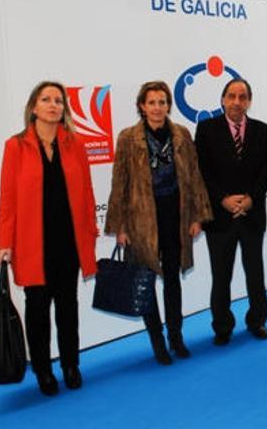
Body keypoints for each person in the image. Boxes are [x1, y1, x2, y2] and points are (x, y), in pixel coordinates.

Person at [0, 81, 98, 396]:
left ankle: (71, 365)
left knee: (68, 306)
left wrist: (90, 230)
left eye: (58, 100)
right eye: (46, 99)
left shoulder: (75, 144)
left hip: (69, 240)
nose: (54, 105)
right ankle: (42, 369)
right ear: (34, 107)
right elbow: (7, 198)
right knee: (37, 309)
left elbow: (86, 193)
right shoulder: (16, 146)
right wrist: (5, 242)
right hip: (32, 243)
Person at [105, 81, 212, 365]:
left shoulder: (182, 135)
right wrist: (121, 227)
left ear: (168, 105)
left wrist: (197, 216)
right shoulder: (128, 138)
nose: (157, 107)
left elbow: (194, 177)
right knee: (146, 280)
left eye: (162, 102)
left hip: (175, 216)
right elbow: (120, 184)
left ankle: (176, 337)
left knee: (173, 279)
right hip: (141, 218)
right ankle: (157, 341)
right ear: (142, 106)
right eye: (151, 102)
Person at [195, 78, 267, 345]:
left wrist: (251, 199)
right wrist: (223, 199)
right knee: (221, 275)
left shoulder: (263, 131)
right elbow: (203, 171)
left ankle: (258, 320)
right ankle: (222, 326)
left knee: (255, 272)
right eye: (231, 96)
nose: (237, 102)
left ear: (249, 101)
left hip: (252, 214)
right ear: (222, 100)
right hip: (220, 217)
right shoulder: (206, 130)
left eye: (242, 97)